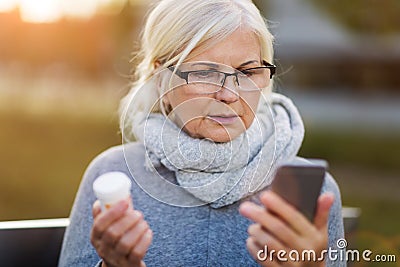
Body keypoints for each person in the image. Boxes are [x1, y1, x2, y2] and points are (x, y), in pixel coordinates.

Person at [59, 0, 345, 266]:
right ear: (161, 80)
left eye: (247, 72)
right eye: (204, 72)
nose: (229, 94)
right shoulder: (112, 175)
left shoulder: (314, 195)